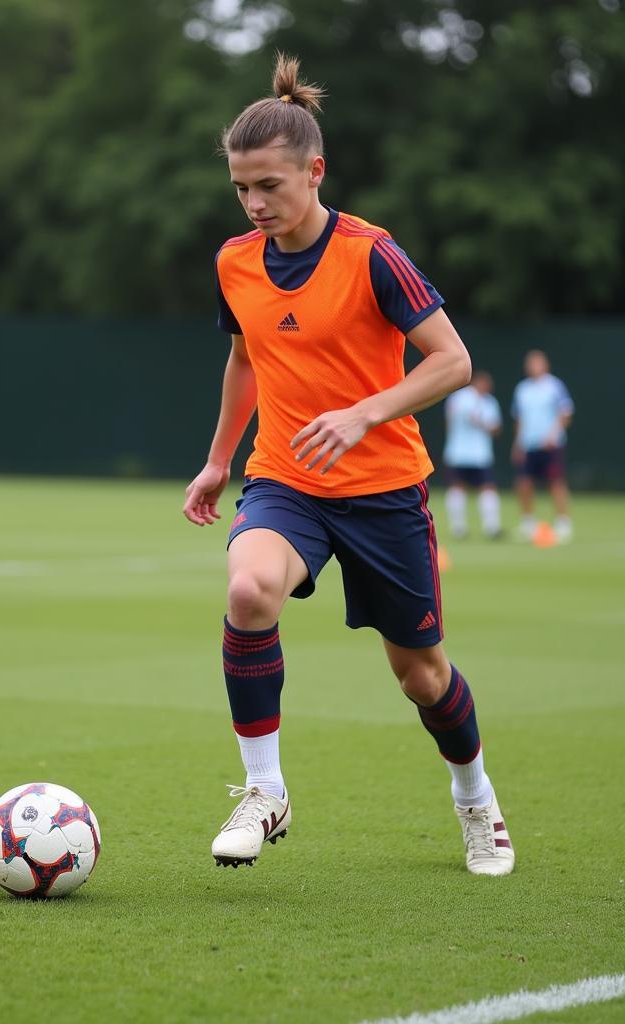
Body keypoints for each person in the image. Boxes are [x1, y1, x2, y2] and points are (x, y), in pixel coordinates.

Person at [182, 54, 513, 876]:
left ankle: (476, 799)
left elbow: (452, 361)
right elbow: (245, 362)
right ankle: (265, 791)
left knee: (422, 676)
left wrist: (365, 412)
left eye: (270, 186)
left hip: (384, 492)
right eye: (241, 189)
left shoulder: (372, 254)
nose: (256, 204)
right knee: (249, 587)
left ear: (315, 170)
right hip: (287, 479)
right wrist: (220, 461)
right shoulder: (234, 263)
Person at [511, 350, 574, 542]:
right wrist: (518, 444)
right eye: (530, 363)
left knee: (556, 482)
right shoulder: (522, 389)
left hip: (551, 445)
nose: (533, 366)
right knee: (524, 483)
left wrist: (553, 435)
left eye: (537, 363)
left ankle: (563, 523)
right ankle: (528, 522)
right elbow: (519, 419)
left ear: (545, 365)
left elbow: (566, 413)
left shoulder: (554, 386)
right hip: (529, 445)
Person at [443, 370, 503, 539]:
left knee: (487, 488)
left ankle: (492, 527)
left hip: (480, 454)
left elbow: (496, 428)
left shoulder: (490, 402)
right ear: (476, 382)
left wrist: (482, 423)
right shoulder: (459, 398)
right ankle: (458, 528)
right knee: (457, 487)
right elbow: (449, 421)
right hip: (459, 452)